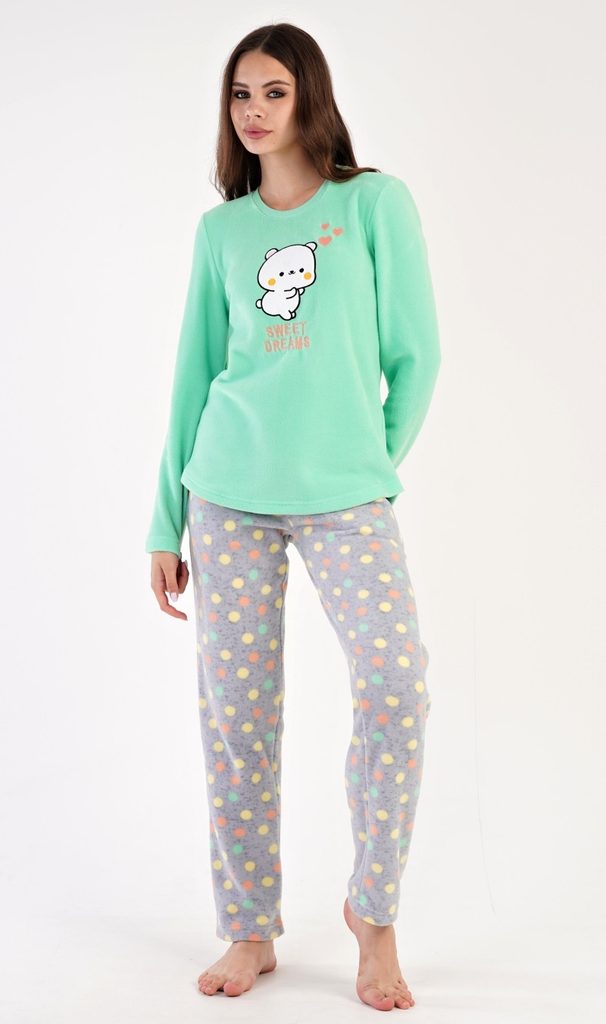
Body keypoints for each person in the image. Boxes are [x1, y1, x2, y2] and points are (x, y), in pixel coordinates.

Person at [145, 21, 441, 1012]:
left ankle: (373, 913)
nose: (255, 110)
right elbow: (193, 376)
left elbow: (417, 354)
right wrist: (163, 521)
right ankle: (249, 926)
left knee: (396, 685)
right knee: (237, 718)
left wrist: (368, 464)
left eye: (273, 91)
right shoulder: (221, 232)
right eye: (241, 94)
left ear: (310, 95)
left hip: (346, 499)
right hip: (226, 495)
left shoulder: (374, 205)